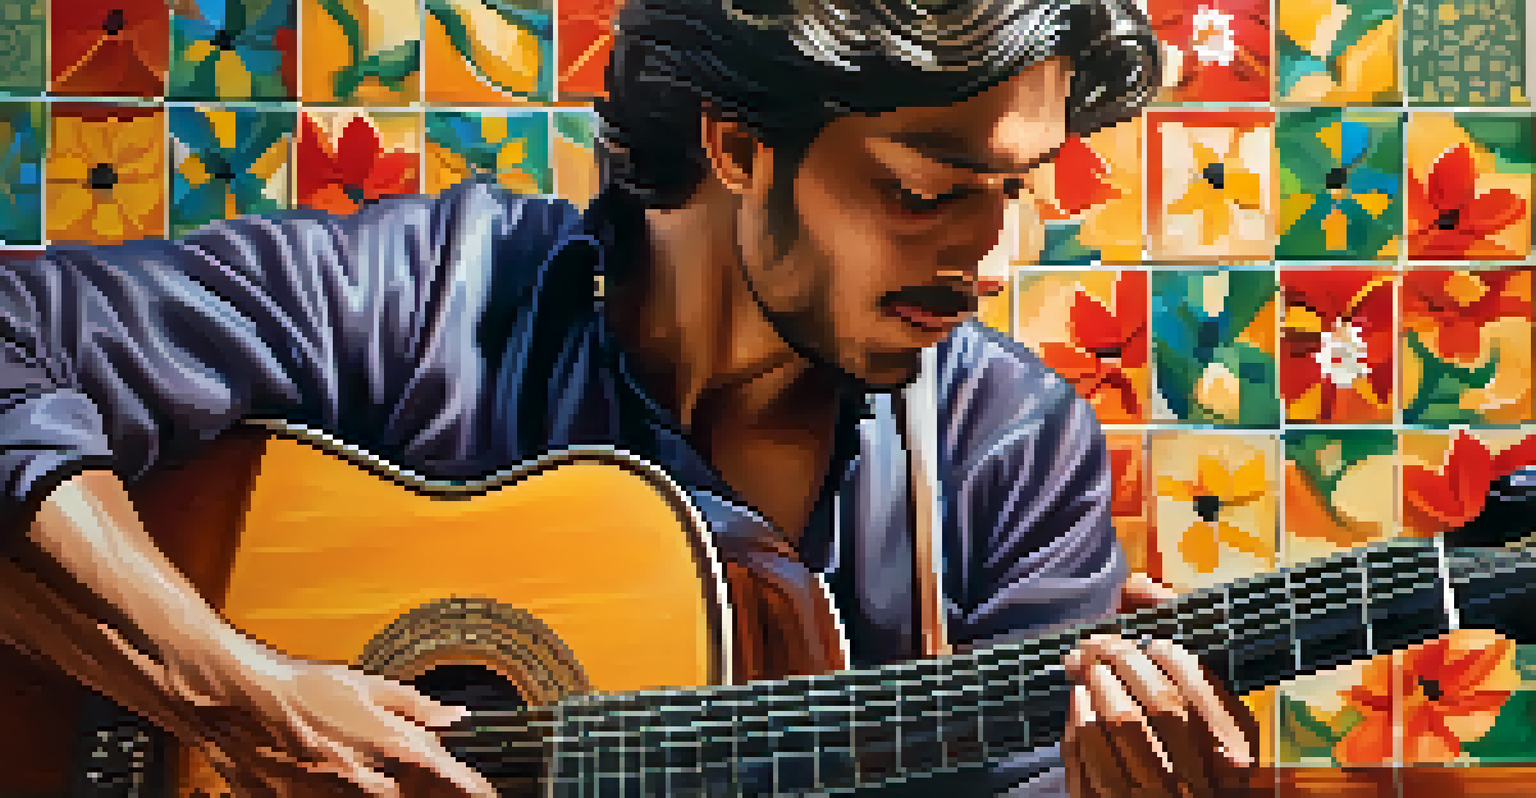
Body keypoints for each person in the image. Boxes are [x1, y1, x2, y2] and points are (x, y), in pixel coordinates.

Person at [0, 0, 1258, 794]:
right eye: (929, 192)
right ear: (736, 147)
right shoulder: (429, 299)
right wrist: (232, 694)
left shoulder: (1012, 457)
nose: (991, 264)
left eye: (1019, 191)